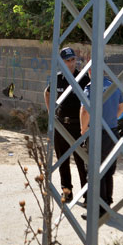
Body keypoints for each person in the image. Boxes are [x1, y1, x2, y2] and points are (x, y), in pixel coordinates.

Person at [79, 66, 123, 220]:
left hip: (96, 133)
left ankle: (98, 209)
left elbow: (85, 111)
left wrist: (83, 129)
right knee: (107, 170)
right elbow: (122, 107)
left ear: (90, 72)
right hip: (112, 133)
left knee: (94, 172)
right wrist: (111, 119)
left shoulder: (91, 88)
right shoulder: (113, 85)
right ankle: (107, 204)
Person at [44, 47, 89, 204]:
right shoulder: (58, 78)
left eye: (72, 60)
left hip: (78, 126)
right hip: (61, 124)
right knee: (62, 160)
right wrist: (51, 114)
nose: (70, 63)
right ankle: (67, 192)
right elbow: (47, 93)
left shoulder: (83, 78)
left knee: (81, 161)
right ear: (61, 62)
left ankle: (87, 194)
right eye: (67, 61)